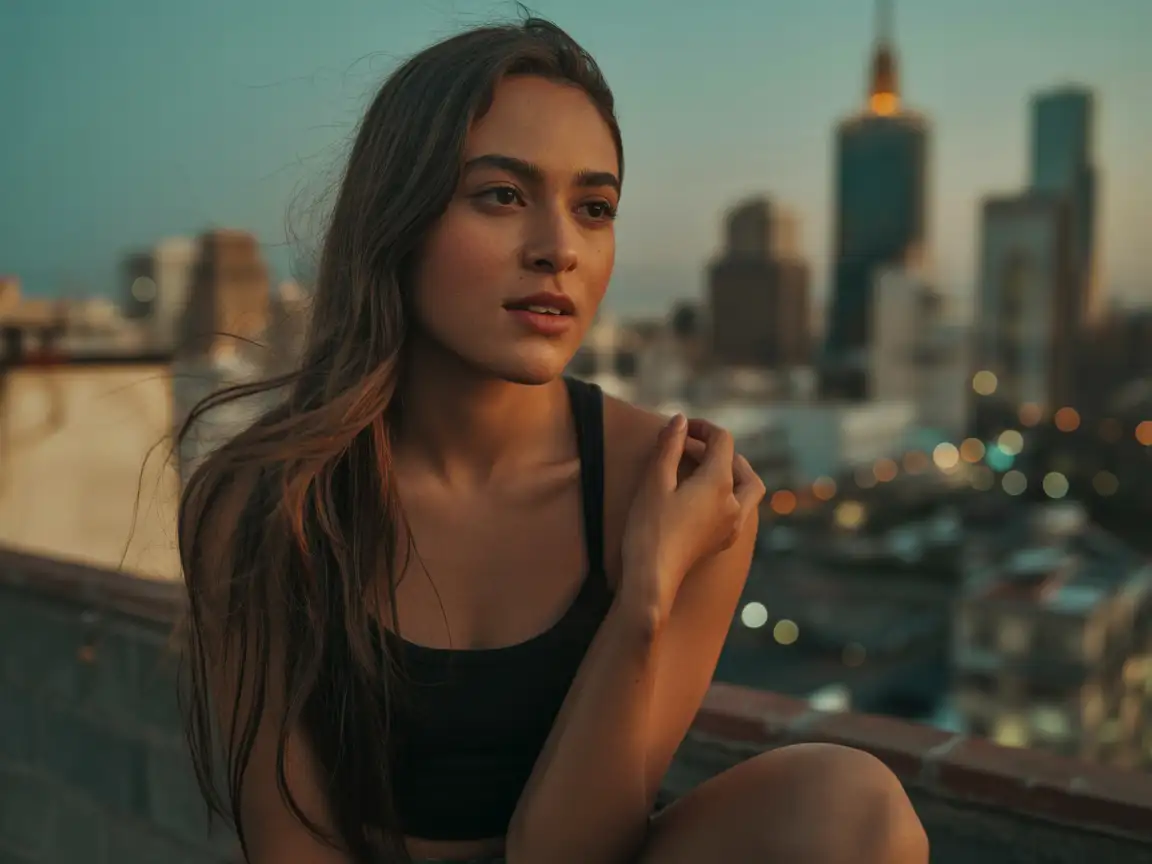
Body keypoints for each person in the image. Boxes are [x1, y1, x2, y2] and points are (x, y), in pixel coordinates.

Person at [177, 16, 929, 864]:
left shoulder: (678, 493)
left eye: (595, 208)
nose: (559, 249)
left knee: (848, 804)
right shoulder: (269, 501)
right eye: (501, 194)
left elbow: (568, 857)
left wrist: (644, 595)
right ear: (399, 216)